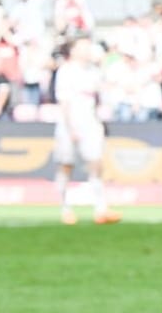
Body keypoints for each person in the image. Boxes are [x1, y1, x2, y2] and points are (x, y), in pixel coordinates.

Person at [51, 36, 121, 226]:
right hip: (71, 122)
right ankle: (65, 208)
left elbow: (100, 95)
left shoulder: (93, 71)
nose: (87, 50)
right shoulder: (65, 71)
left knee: (96, 164)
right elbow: (64, 102)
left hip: (91, 121)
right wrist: (70, 127)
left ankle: (101, 209)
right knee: (66, 165)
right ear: (73, 50)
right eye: (83, 47)